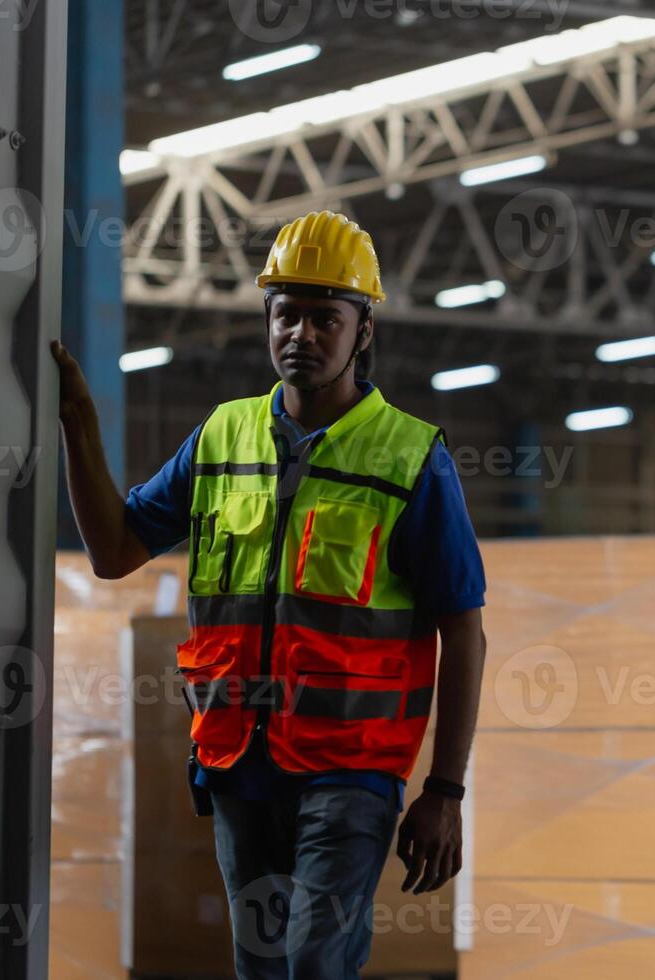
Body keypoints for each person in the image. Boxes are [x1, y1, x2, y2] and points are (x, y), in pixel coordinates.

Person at [52, 210, 487, 979]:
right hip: (237, 763)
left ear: (364, 329)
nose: (303, 334)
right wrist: (79, 424)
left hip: (352, 772)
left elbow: (465, 632)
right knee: (261, 968)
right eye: (288, 314)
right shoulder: (221, 436)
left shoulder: (412, 456)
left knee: (314, 962)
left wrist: (445, 791)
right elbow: (115, 551)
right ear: (267, 319)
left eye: (327, 317)